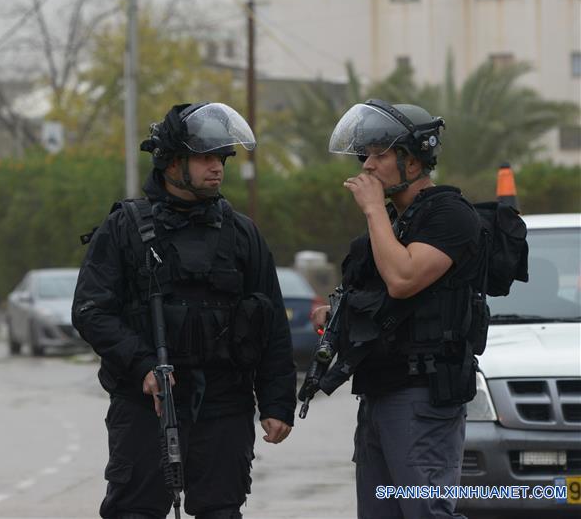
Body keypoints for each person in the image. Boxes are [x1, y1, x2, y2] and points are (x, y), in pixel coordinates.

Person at [72, 101, 296, 519]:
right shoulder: (125, 228)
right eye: (205, 157)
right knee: (134, 510)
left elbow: (270, 321)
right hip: (148, 407)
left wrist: (277, 402)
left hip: (225, 403)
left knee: (222, 510)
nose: (217, 168)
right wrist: (143, 367)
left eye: (222, 159)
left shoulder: (241, 232)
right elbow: (90, 311)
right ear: (172, 163)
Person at [313, 100, 481, 519]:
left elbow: (404, 280)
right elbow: (379, 301)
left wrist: (372, 210)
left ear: (414, 159)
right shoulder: (393, 221)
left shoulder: (450, 214)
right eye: (364, 155)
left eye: (380, 154)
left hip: (422, 395)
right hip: (379, 391)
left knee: (424, 511)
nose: (367, 166)